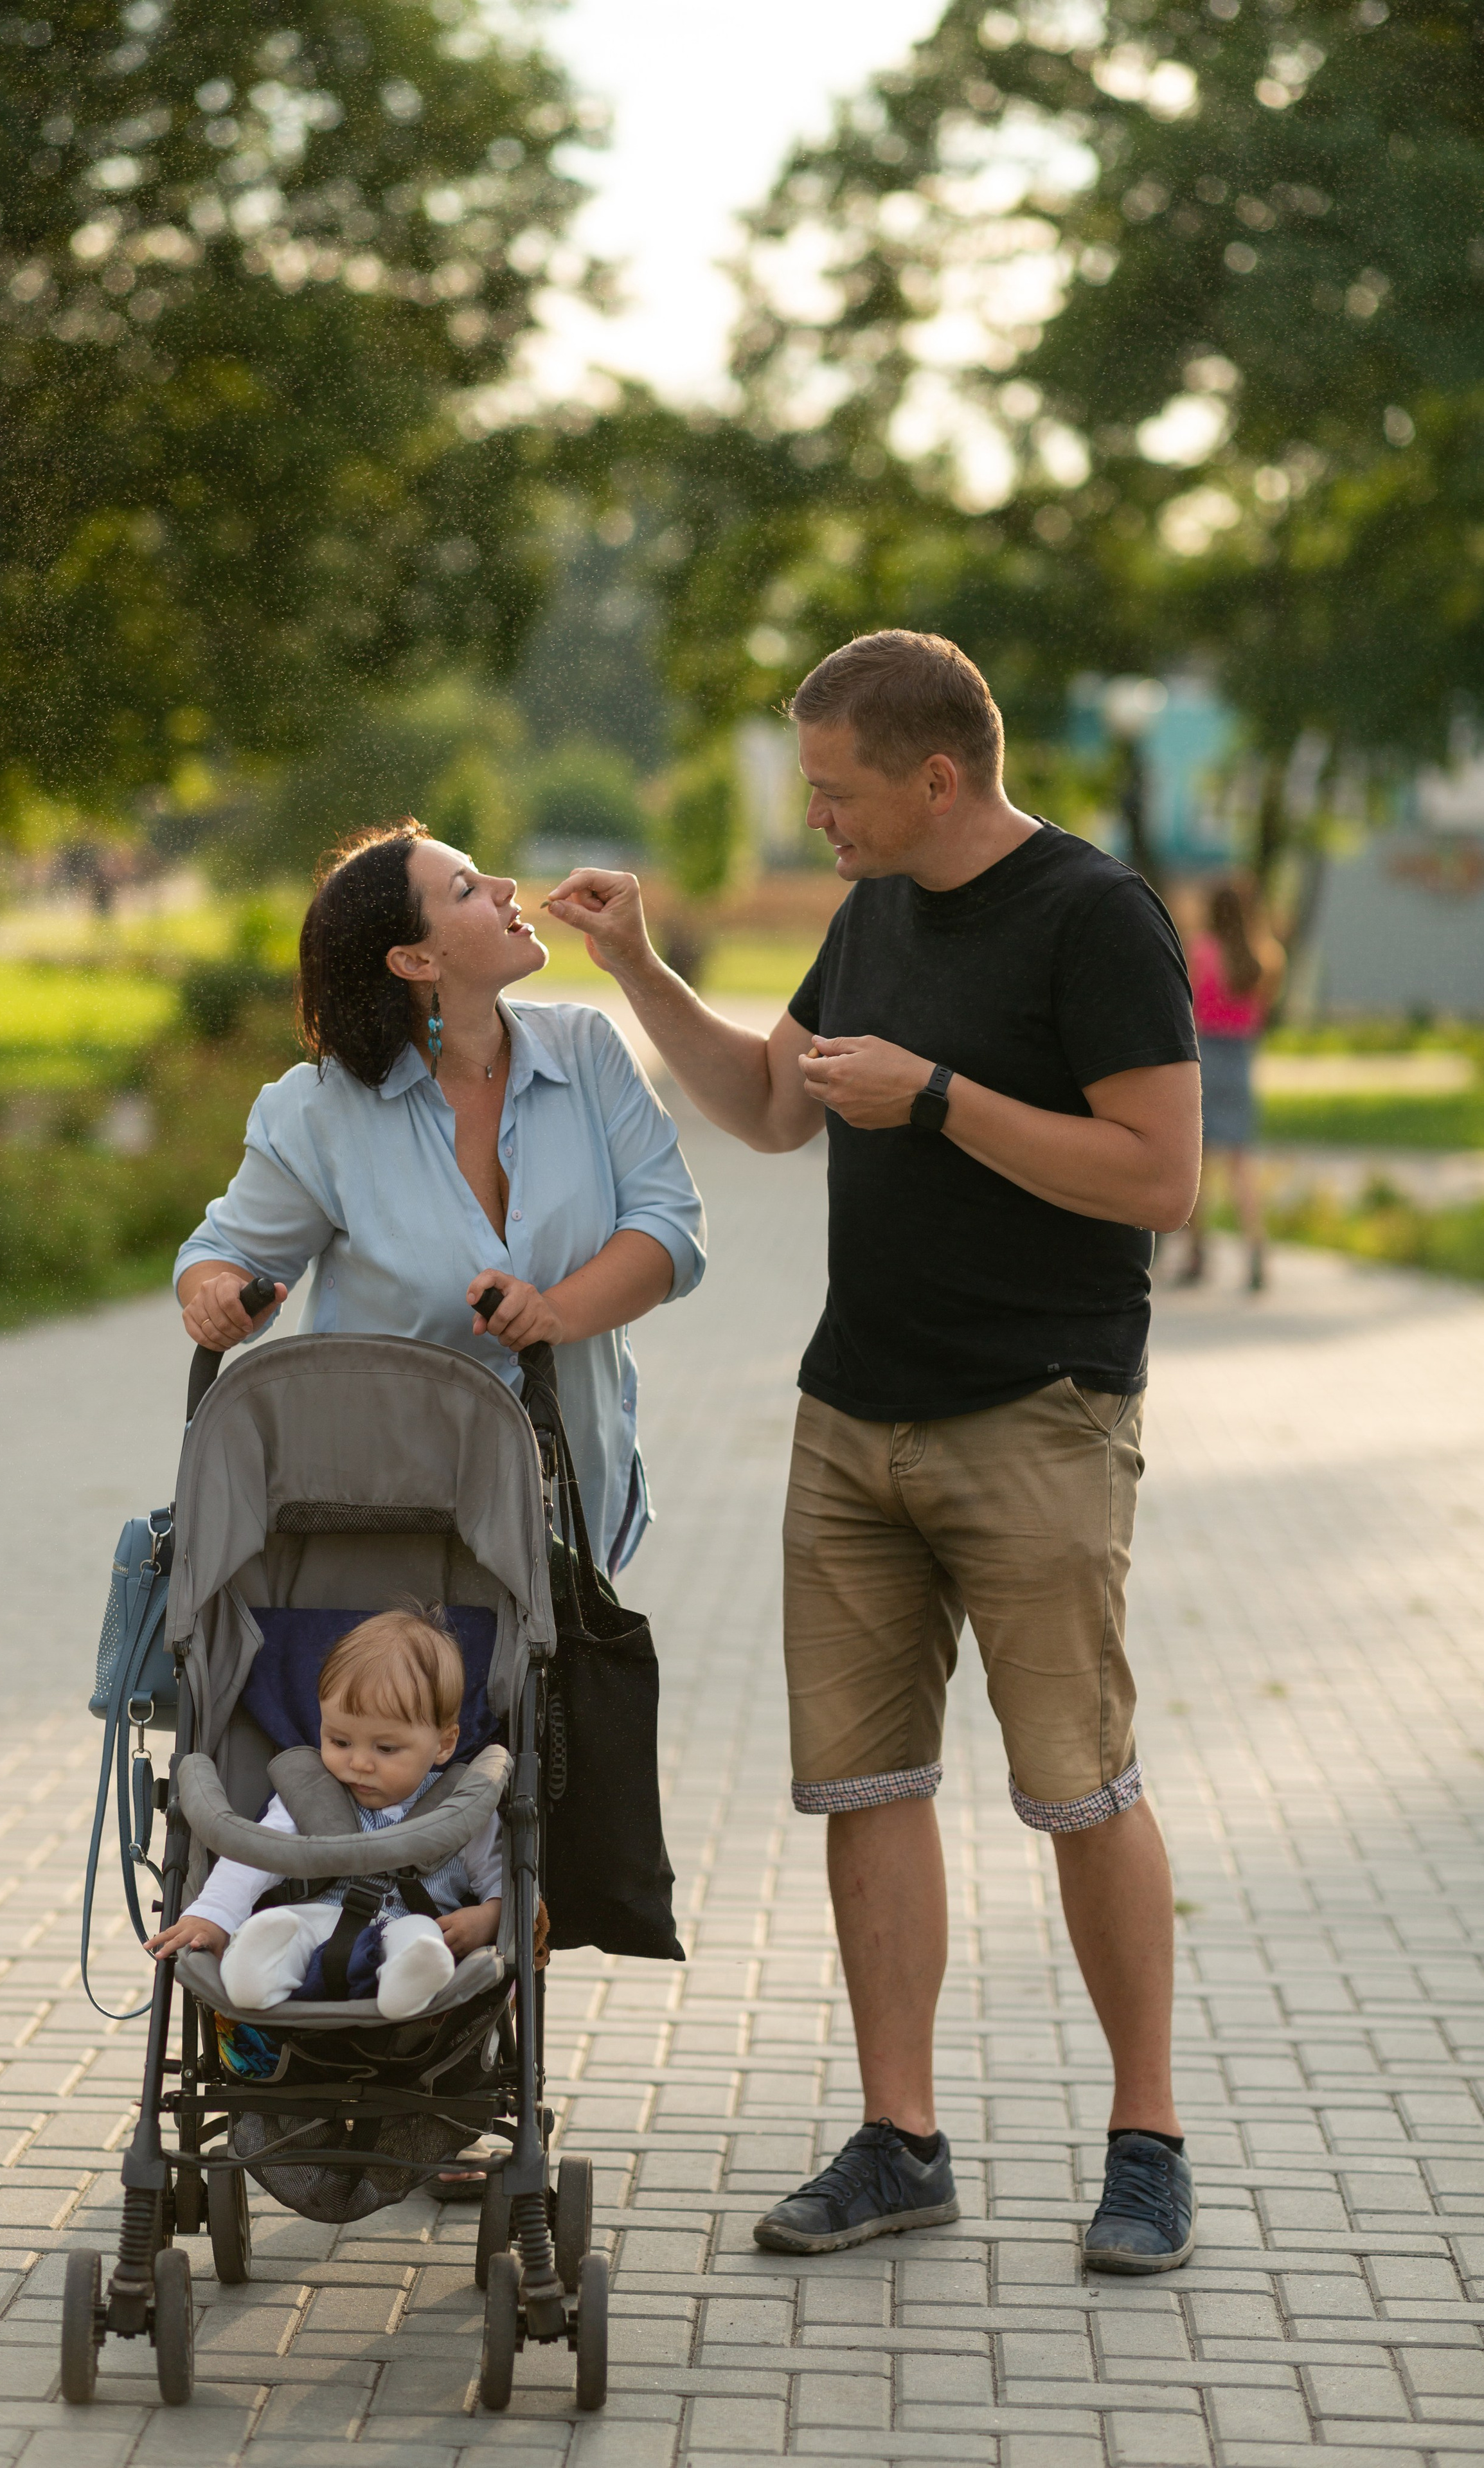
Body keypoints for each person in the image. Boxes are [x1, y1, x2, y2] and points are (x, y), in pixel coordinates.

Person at [544, 629, 1204, 2273]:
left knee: (1077, 1783)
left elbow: (1156, 1178)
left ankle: (1146, 2139)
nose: (815, 818)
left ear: (933, 774)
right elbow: (770, 1106)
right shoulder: (872, 911)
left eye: (835, 791)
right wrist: (638, 971)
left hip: (1037, 1410)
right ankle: (899, 2136)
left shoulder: (1092, 916)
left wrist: (936, 1099)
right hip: (852, 1416)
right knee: (863, 1782)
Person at [174, 822, 706, 1577]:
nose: (505, 889)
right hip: (382, 1525)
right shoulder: (320, 1111)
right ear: (414, 959)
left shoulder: (589, 1052)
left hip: (572, 1513)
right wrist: (220, 1298)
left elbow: (670, 1229)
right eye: (467, 888)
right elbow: (220, 1257)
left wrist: (552, 1314)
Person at [146, 1611, 502, 2019]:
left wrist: (488, 1917)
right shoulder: (312, 1793)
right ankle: (252, 1973)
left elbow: (498, 1877)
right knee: (280, 1928)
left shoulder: (460, 1803)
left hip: (410, 1922)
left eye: (386, 1749)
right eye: (340, 1740)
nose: (360, 1763)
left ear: (443, 1744)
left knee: (420, 1939)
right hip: (316, 1916)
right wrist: (213, 1916)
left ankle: (411, 1979)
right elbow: (253, 1860)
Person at [1179, 879, 1285, 1293]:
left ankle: (1197, 1252)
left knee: (1199, 1161)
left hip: (1205, 1058)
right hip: (1241, 1059)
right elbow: (1265, 1009)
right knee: (1241, 1162)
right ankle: (1256, 1249)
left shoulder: (1201, 951)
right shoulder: (1264, 955)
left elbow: (1185, 1004)